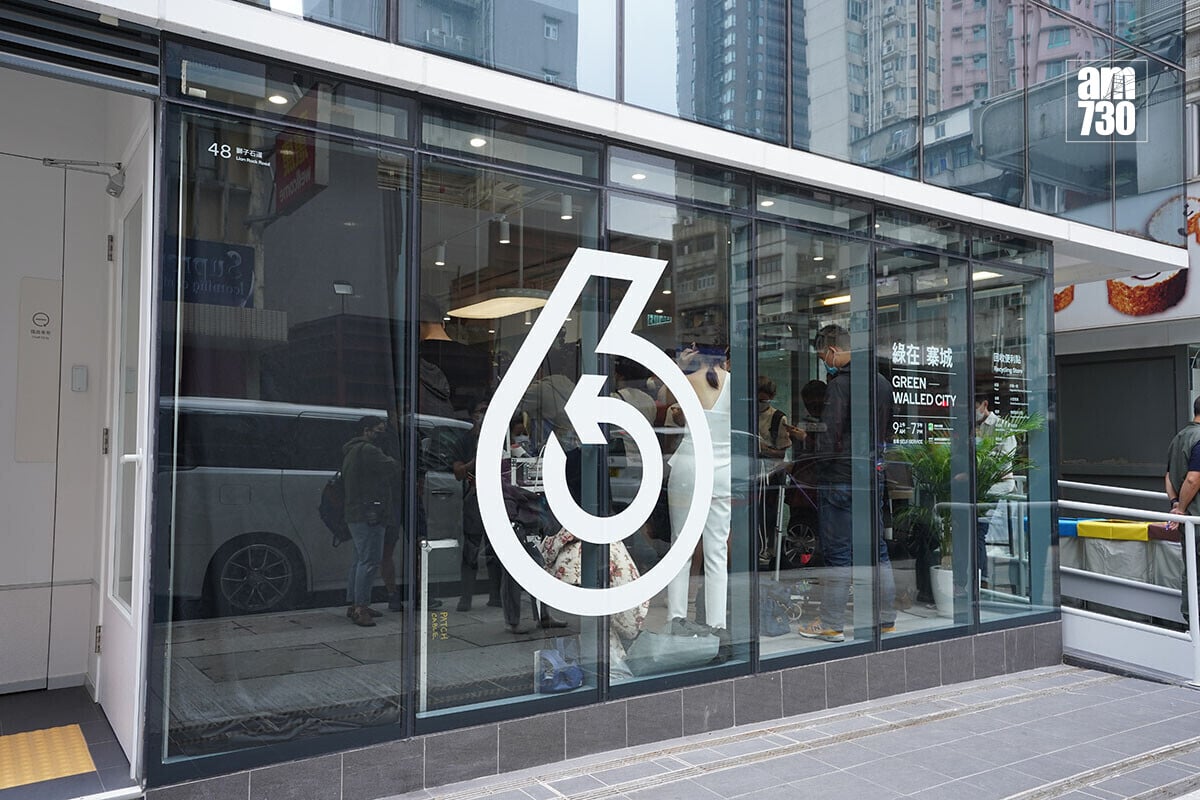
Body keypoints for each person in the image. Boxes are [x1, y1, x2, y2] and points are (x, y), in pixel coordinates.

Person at [798, 324, 897, 642]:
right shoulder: (882, 383)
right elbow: (888, 433)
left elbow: (830, 436)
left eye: (822, 356)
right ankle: (885, 619)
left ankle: (831, 623)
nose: (824, 362)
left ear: (832, 350)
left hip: (840, 479)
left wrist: (816, 465)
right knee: (877, 550)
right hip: (872, 476)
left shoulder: (840, 385)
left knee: (838, 553)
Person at [666, 344, 732, 652]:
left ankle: (676, 618)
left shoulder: (686, 381)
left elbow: (666, 405)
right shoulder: (735, 383)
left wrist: (681, 367)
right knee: (717, 549)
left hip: (689, 465)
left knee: (681, 546)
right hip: (723, 469)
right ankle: (717, 624)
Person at [342, 416, 400, 627]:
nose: (381, 435)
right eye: (378, 431)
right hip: (370, 513)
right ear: (366, 431)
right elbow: (393, 466)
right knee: (369, 561)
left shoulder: (352, 449)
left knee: (359, 560)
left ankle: (355, 603)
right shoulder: (369, 450)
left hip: (356, 512)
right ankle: (361, 608)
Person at [756, 375, 804, 566]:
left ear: (772, 397)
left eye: (764, 400)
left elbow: (781, 452)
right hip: (750, 473)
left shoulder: (778, 418)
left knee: (768, 514)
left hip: (771, 473)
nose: (760, 404)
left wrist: (761, 448)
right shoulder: (745, 413)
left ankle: (768, 549)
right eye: (757, 400)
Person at [973, 393, 1016, 589]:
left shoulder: (1001, 427)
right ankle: (978, 577)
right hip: (980, 486)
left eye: (975, 408)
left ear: (985, 404)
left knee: (979, 529)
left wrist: (979, 458)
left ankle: (982, 579)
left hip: (996, 486)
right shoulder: (975, 427)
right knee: (974, 529)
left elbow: (1003, 459)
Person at [1165, 395, 1200, 620]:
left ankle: (1190, 619)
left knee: (1192, 571)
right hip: (1196, 518)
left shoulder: (1179, 437)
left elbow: (1168, 476)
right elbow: (1193, 479)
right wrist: (1182, 508)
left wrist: (1175, 503)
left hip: (1188, 522)